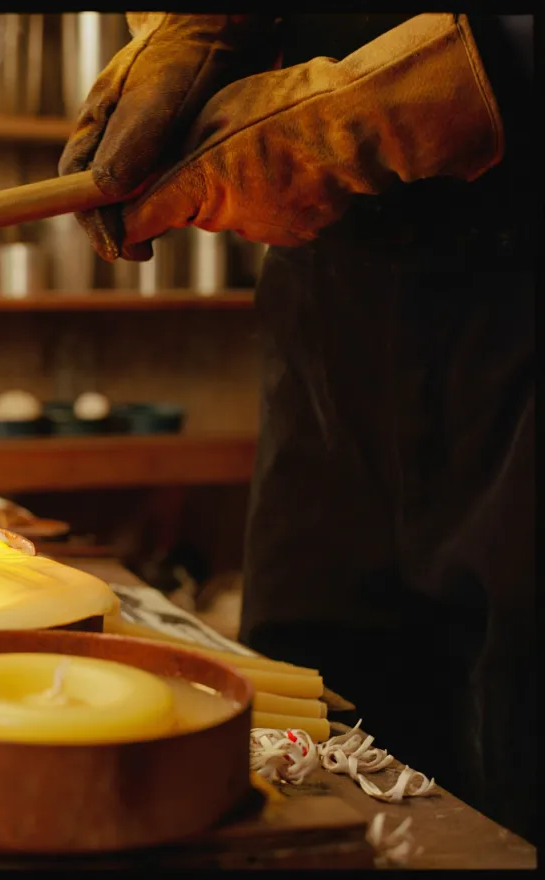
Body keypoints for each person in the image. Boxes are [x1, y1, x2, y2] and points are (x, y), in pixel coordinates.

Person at [60, 13, 535, 843]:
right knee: (301, 739)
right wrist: (206, 22)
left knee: (518, 739)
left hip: (521, 284)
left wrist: (436, 86)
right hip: (333, 304)